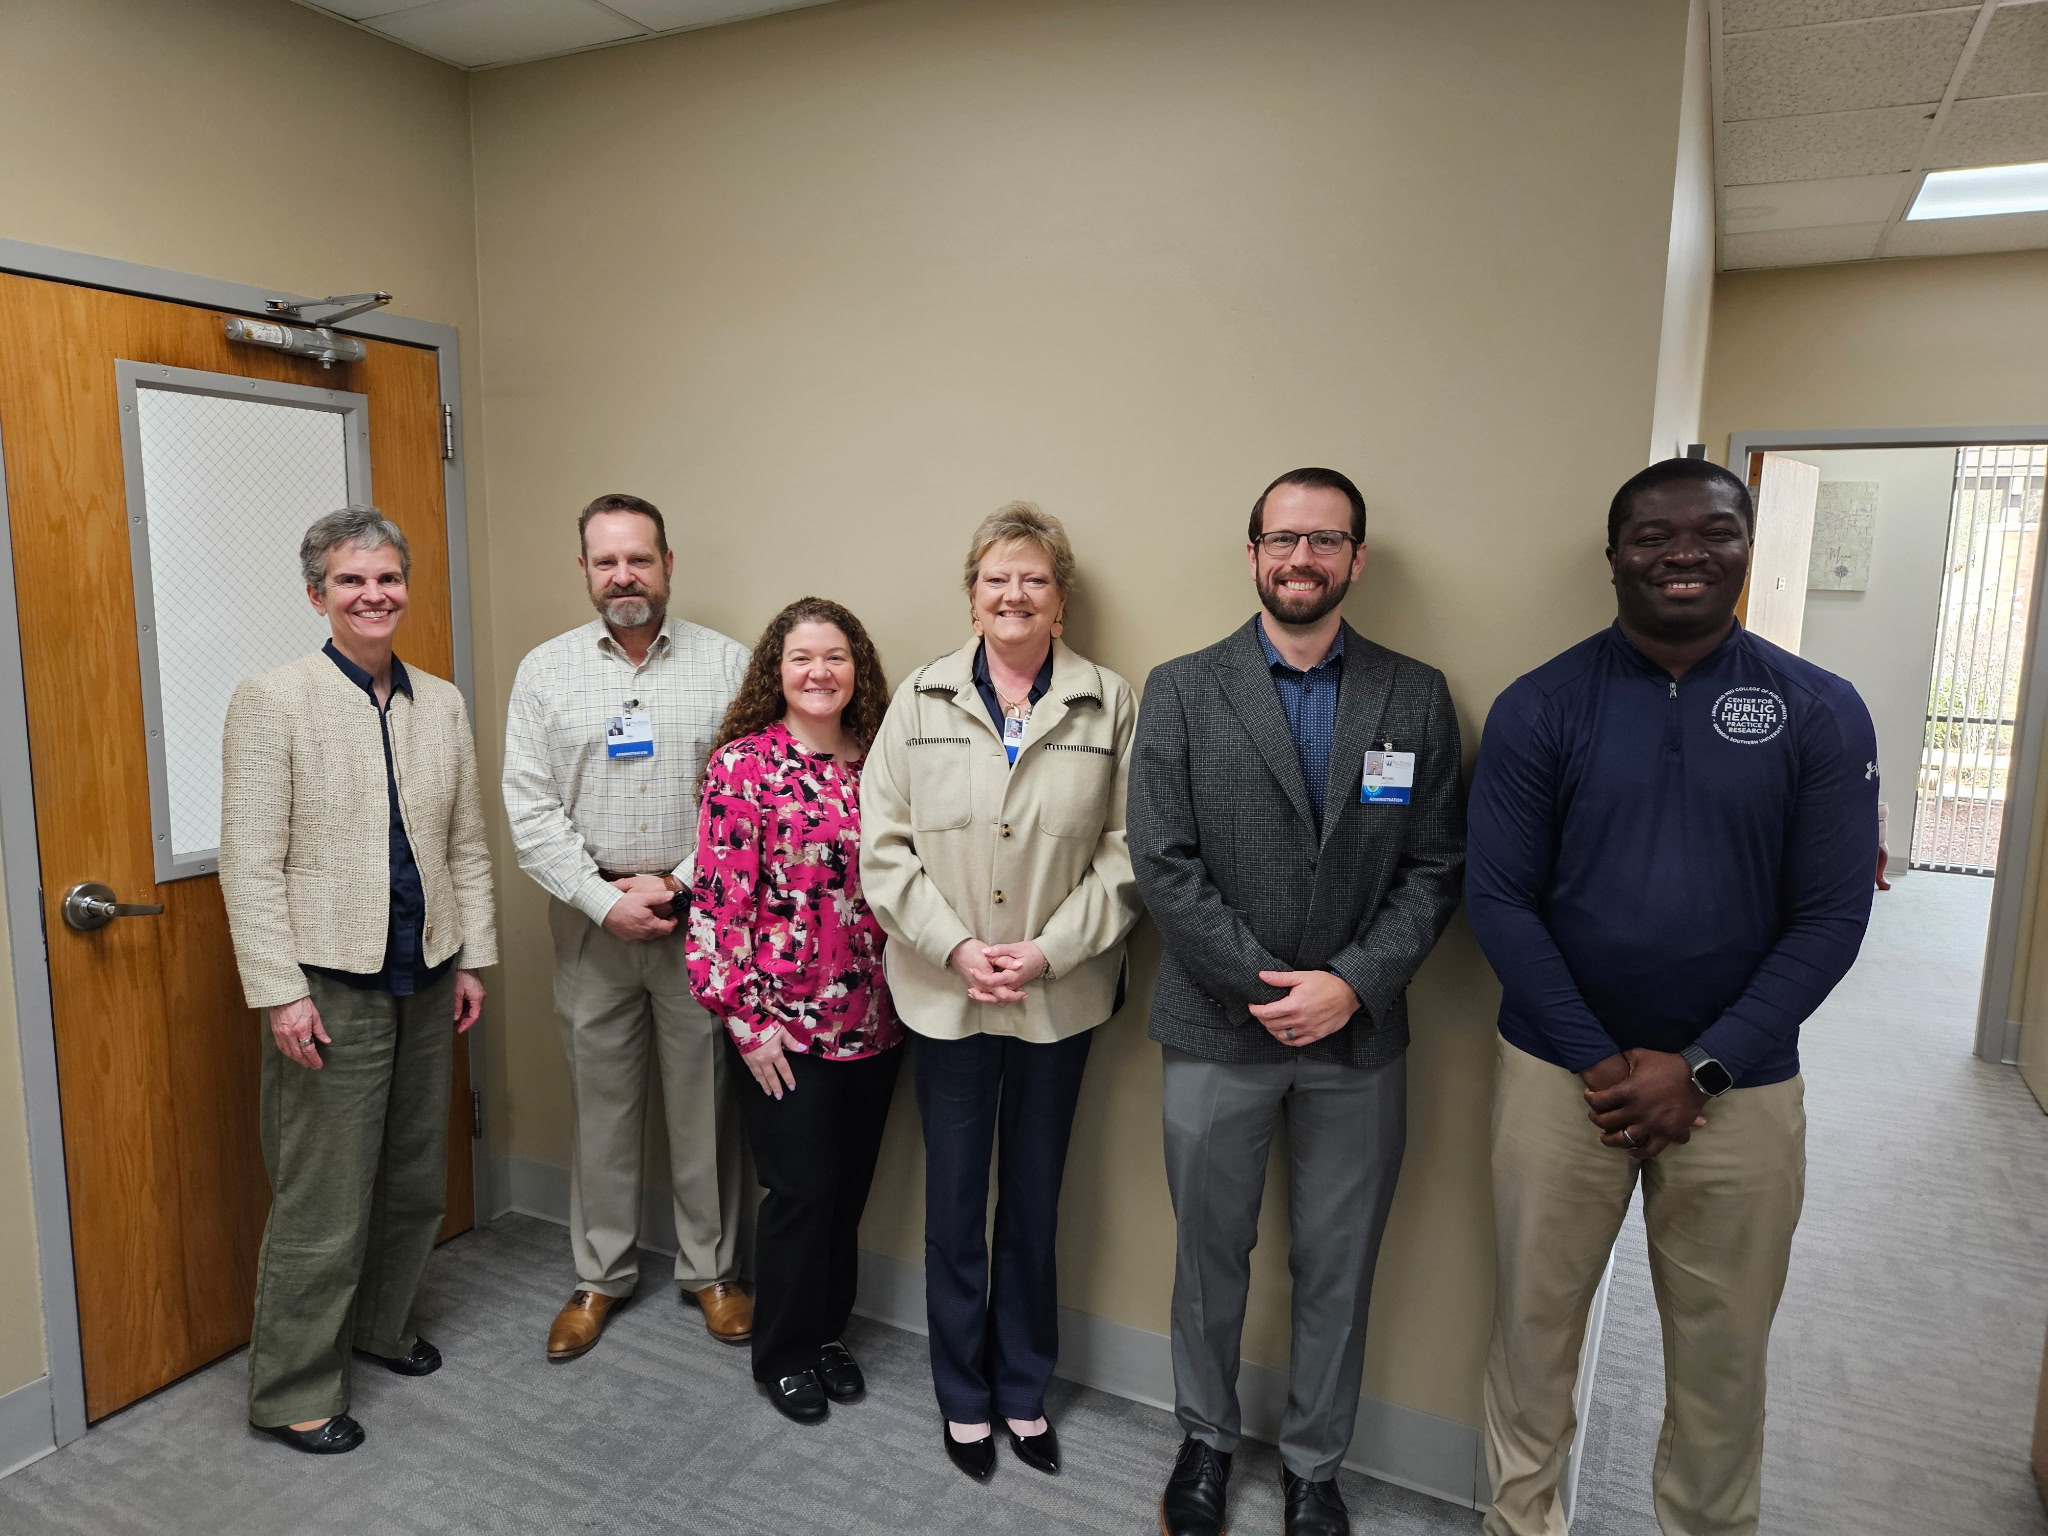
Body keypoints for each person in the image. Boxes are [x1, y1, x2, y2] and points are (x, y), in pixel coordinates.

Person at [1468, 458, 1878, 1536]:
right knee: (1529, 1338)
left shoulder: (1818, 711)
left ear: (1748, 548)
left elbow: (1831, 919)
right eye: (1653, 536)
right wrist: (1601, 1062)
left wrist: (1701, 1066)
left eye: (1711, 531)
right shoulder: (1539, 706)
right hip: (1558, 1079)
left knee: (1721, 1357)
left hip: (1737, 1090)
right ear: (1613, 559)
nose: (1683, 553)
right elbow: (1499, 901)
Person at [1129, 468, 1463, 1536]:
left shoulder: (1414, 695)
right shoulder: (1181, 688)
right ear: (1252, 554)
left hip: (1357, 1037)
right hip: (1214, 1026)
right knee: (1206, 1253)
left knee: (1337, 1257)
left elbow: (1434, 865)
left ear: (1355, 559)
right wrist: (1267, 987)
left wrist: (1350, 985)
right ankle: (1205, 1442)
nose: (1300, 559)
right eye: (1282, 539)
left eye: (1324, 541)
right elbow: (1162, 864)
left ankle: (1315, 1463)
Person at [861, 502, 1141, 1482]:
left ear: (1058, 601)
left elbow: (1126, 854)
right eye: (994, 579)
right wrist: (952, 947)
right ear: (972, 598)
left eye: (1032, 579)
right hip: (945, 996)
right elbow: (881, 847)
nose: (1012, 594)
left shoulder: (1109, 702)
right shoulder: (920, 698)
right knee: (949, 1205)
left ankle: (1022, 1387)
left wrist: (1045, 953)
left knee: (1031, 1199)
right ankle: (962, 1394)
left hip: (1056, 999)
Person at [220, 506, 497, 1455]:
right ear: (317, 594)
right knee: (325, 1194)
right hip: (328, 981)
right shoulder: (274, 698)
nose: (373, 596)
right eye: (351, 581)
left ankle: (381, 1327)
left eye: (387, 579)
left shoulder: (443, 702)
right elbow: (249, 862)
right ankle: (292, 1387)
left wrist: (475, 958)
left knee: (417, 1175)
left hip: (428, 968)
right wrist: (279, 991)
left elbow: (465, 843)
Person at [503, 492, 753, 1360]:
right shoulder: (545, 672)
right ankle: (599, 1276)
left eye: (639, 559)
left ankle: (711, 1271)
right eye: (606, 562)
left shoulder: (730, 666)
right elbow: (529, 810)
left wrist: (679, 885)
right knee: (600, 1107)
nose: (624, 576)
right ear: (583, 571)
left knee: (705, 1103)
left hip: (701, 917)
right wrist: (604, 899)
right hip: (589, 918)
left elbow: (744, 796)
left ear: (668, 563)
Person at [687, 597, 905, 1424]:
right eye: (802, 658)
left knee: (848, 1195)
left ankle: (824, 1334)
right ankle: (780, 1350)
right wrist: (746, 1021)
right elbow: (717, 909)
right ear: (776, 672)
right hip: (784, 1030)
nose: (820, 672)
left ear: (859, 671)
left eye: (837, 657)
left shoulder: (879, 761)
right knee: (801, 1193)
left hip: (881, 1021)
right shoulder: (744, 766)